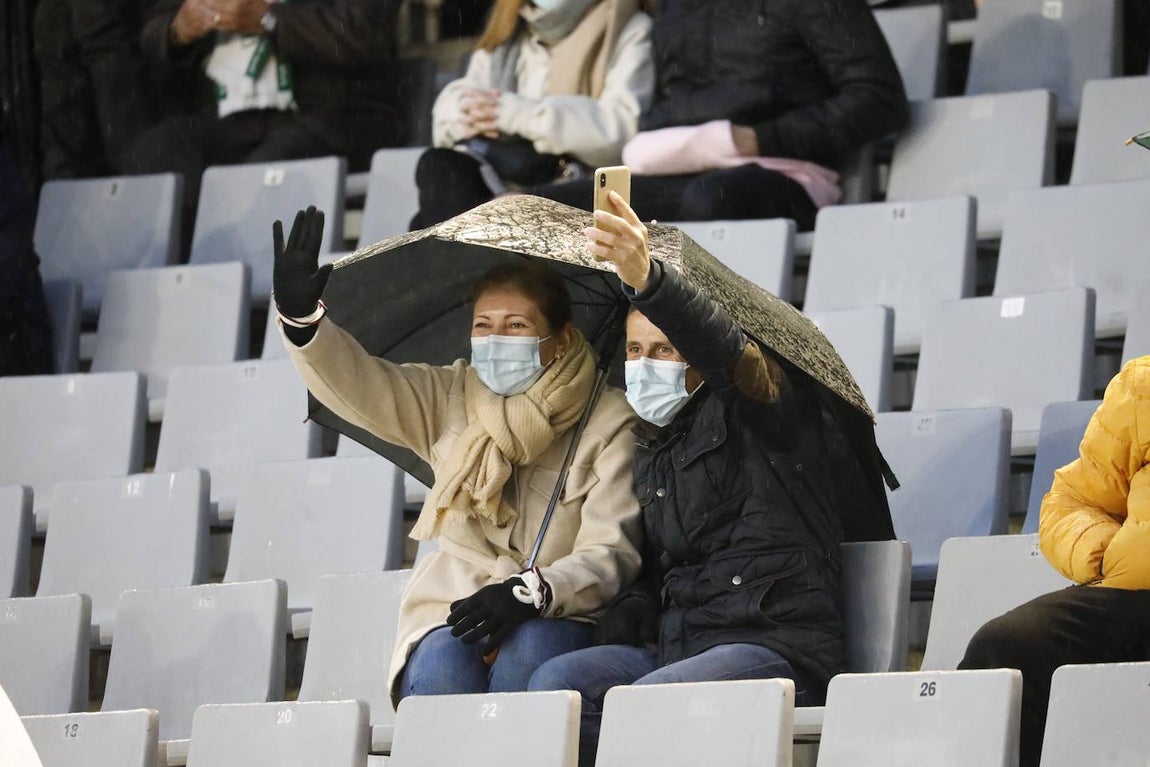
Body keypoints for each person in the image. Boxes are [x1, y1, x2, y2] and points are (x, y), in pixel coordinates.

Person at [528, 191, 852, 766]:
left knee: (654, 703)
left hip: (777, 647)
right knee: (559, 684)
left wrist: (648, 279)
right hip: (681, 648)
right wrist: (634, 601)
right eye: (633, 349)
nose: (644, 363)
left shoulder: (771, 408)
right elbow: (668, 561)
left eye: (664, 349)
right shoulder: (652, 442)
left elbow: (732, 357)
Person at [273, 206, 642, 701]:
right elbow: (362, 386)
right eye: (484, 325)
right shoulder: (449, 394)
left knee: (528, 651)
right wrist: (303, 322)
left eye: (516, 325)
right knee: (442, 666)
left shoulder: (610, 417)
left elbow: (609, 552)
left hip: (559, 607)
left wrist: (534, 591)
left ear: (562, 340)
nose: (495, 340)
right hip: (456, 600)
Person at [533, 0, 908, 230]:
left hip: (785, 174)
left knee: (710, 198)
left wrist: (758, 139)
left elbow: (880, 99)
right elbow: (672, 99)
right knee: (542, 211)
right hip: (681, 169)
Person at [958, 355, 1150, 767]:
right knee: (1007, 644)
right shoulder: (1143, 385)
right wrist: (1107, 555)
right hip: (1136, 597)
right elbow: (1071, 501)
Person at [123, 0, 403, 212]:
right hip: (229, 118)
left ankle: (246, 280)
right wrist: (178, 29)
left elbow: (363, 32)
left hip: (334, 115)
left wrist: (268, 20)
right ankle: (182, 280)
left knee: (260, 176)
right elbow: (151, 37)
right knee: (156, 152)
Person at [410, 0, 653, 229]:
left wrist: (515, 114)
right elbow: (449, 114)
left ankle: (468, 268)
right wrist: (469, 110)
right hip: (500, 178)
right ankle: (469, 268)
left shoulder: (626, 26)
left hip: (574, 188)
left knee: (431, 225)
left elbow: (619, 132)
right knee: (440, 169)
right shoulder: (510, 29)